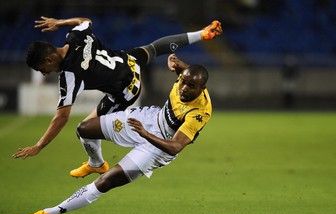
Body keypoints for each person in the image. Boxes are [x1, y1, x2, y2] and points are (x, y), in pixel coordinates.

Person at [12, 16, 222, 179]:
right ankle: (202, 34)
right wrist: (60, 23)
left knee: (85, 129)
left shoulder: (69, 75)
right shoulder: (76, 36)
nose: (44, 73)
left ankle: (96, 163)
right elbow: (85, 21)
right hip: (127, 61)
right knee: (154, 48)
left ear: (49, 59)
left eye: (42, 69)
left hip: (126, 90)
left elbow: (61, 118)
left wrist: (39, 146)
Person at [24, 53, 212, 214]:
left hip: (158, 149)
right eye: (183, 82)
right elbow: (186, 71)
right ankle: (96, 163)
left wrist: (145, 134)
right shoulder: (187, 76)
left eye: (190, 86)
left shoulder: (199, 113)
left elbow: (175, 147)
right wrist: (175, 63)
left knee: (106, 181)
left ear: (202, 88)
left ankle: (50, 213)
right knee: (84, 129)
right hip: (150, 119)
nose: (184, 88)